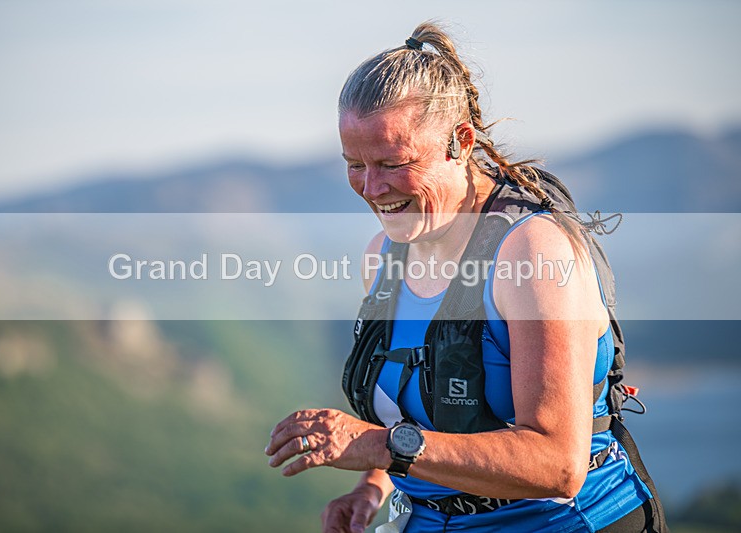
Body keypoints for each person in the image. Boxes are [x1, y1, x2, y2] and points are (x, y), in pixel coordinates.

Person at [265, 21, 667, 532]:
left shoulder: (530, 252)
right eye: (354, 164)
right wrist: (372, 486)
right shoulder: (384, 256)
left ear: (460, 141)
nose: (371, 187)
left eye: (393, 162)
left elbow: (558, 464)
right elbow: (423, 410)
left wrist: (374, 446)